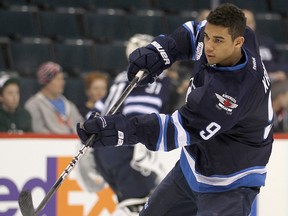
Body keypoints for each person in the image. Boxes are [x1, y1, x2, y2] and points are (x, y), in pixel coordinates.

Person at [77, 3, 273, 216]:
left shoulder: (228, 96)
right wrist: (161, 52)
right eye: (208, 37)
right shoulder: (242, 37)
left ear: (238, 42)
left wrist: (119, 130)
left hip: (230, 182)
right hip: (193, 168)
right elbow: (193, 32)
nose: (208, 46)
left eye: (217, 41)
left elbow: (174, 131)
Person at [77, 34, 175, 216]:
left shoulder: (122, 78)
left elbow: (96, 112)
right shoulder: (156, 78)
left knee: (128, 206)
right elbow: (140, 111)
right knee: (143, 206)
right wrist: (142, 140)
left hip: (103, 151)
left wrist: (86, 142)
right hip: (127, 147)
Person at [25, 61, 83, 134]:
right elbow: (38, 130)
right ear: (46, 81)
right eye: (58, 79)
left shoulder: (69, 105)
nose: (63, 82)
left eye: (63, 79)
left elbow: (81, 125)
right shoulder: (33, 105)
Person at [243, 9, 288, 83]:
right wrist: (269, 75)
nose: (247, 26)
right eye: (243, 23)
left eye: (249, 22)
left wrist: (281, 72)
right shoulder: (234, 46)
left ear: (254, 24)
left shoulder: (267, 42)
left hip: (275, 81)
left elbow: (282, 63)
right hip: (252, 85)